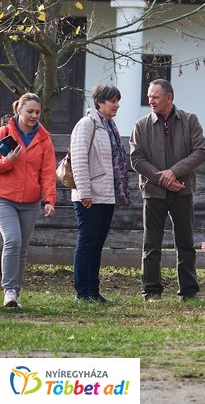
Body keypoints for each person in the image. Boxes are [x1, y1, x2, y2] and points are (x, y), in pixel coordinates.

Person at [130, 79, 205, 301]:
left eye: (155, 96)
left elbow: (200, 152)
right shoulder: (141, 126)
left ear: (169, 97)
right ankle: (151, 291)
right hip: (153, 192)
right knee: (151, 244)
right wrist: (163, 179)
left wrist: (173, 172)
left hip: (182, 190)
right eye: (149, 96)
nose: (150, 100)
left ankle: (189, 291)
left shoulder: (190, 120)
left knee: (185, 242)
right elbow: (136, 159)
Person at [70, 84, 132, 303]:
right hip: (89, 196)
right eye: (112, 100)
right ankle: (81, 291)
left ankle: (93, 291)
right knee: (87, 243)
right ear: (99, 102)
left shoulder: (110, 126)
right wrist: (85, 192)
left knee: (97, 244)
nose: (116, 105)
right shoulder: (87, 124)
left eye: (117, 100)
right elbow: (78, 160)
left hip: (106, 195)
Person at [0, 93, 57, 309]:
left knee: (21, 247)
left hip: (31, 202)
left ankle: (15, 292)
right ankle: (9, 290)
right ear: (18, 111)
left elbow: (48, 173)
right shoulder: (3, 133)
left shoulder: (44, 139)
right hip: (4, 198)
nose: (34, 116)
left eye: (37, 112)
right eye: (30, 111)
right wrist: (8, 161)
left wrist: (49, 200)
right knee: (12, 241)